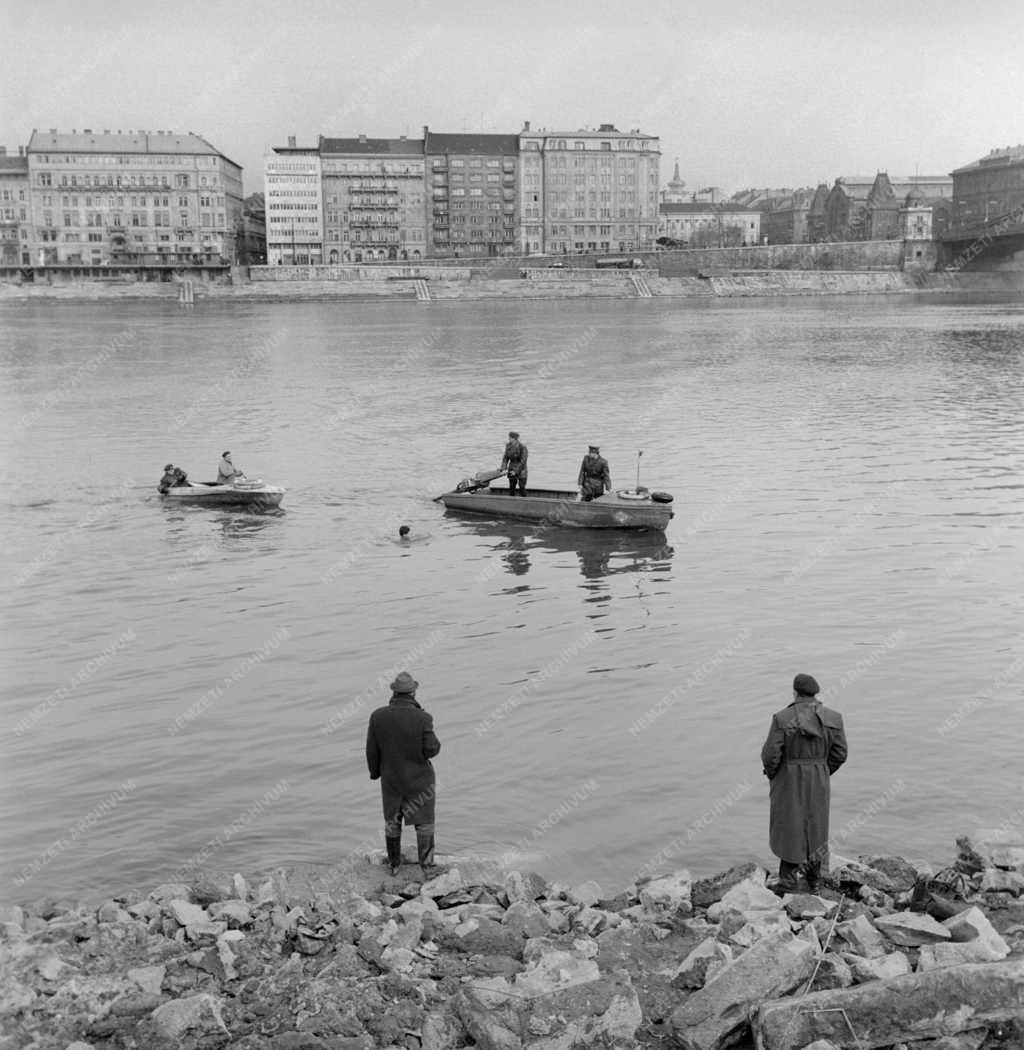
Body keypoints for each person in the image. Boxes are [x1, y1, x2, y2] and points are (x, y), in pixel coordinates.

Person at [761, 673, 848, 894]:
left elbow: (770, 756)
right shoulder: (834, 718)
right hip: (819, 775)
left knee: (790, 826)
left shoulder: (782, 718)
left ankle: (787, 882)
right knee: (816, 826)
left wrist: (775, 775)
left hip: (789, 777)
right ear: (815, 693)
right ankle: (814, 880)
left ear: (795, 692)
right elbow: (840, 753)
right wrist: (823, 770)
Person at [366, 671, 441, 877]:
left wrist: (375, 773)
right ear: (413, 692)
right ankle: (426, 865)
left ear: (393, 692)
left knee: (393, 820)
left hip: (391, 779)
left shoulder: (378, 716)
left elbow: (372, 750)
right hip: (420, 778)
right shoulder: (423, 718)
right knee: (424, 821)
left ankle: (394, 864)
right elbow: (432, 749)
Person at [500, 430, 528, 496]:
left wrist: (516, 471)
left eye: (510, 438)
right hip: (511, 468)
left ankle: (524, 500)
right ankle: (511, 500)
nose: (509, 439)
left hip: (521, 469)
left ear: (515, 439)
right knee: (512, 487)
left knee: (521, 486)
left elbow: (523, 461)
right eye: (509, 437)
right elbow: (505, 458)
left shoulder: (522, 447)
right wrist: (503, 468)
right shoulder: (508, 445)